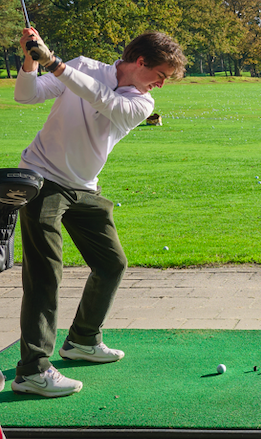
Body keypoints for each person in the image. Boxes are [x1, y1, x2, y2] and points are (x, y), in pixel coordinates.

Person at [11, 28, 186, 397]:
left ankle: (82, 340)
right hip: (42, 179)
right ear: (141, 62)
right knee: (45, 274)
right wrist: (31, 58)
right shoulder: (83, 66)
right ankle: (33, 371)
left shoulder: (141, 103)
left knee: (111, 263)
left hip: (84, 187)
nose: (160, 84)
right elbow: (26, 95)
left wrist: (54, 63)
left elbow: (105, 100)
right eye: (161, 75)